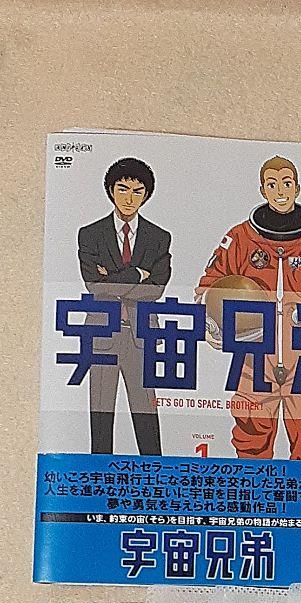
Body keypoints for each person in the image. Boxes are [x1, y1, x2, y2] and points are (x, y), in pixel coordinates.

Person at [197, 155, 301, 460]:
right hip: (254, 354)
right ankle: (253, 490)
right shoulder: (240, 239)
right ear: (263, 190)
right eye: (272, 185)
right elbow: (209, 285)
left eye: (287, 183)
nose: (280, 191)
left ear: (297, 188)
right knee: (251, 437)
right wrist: (216, 324)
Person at [77, 157, 171, 454]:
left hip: (141, 336)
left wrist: (113, 278)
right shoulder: (90, 234)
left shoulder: (159, 238)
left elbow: (156, 289)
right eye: (122, 189)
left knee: (147, 418)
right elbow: (94, 285)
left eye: (137, 191)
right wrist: (136, 275)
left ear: (146, 195)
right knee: (101, 415)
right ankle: (99, 477)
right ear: (110, 190)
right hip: (101, 335)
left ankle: (154, 476)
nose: (129, 198)